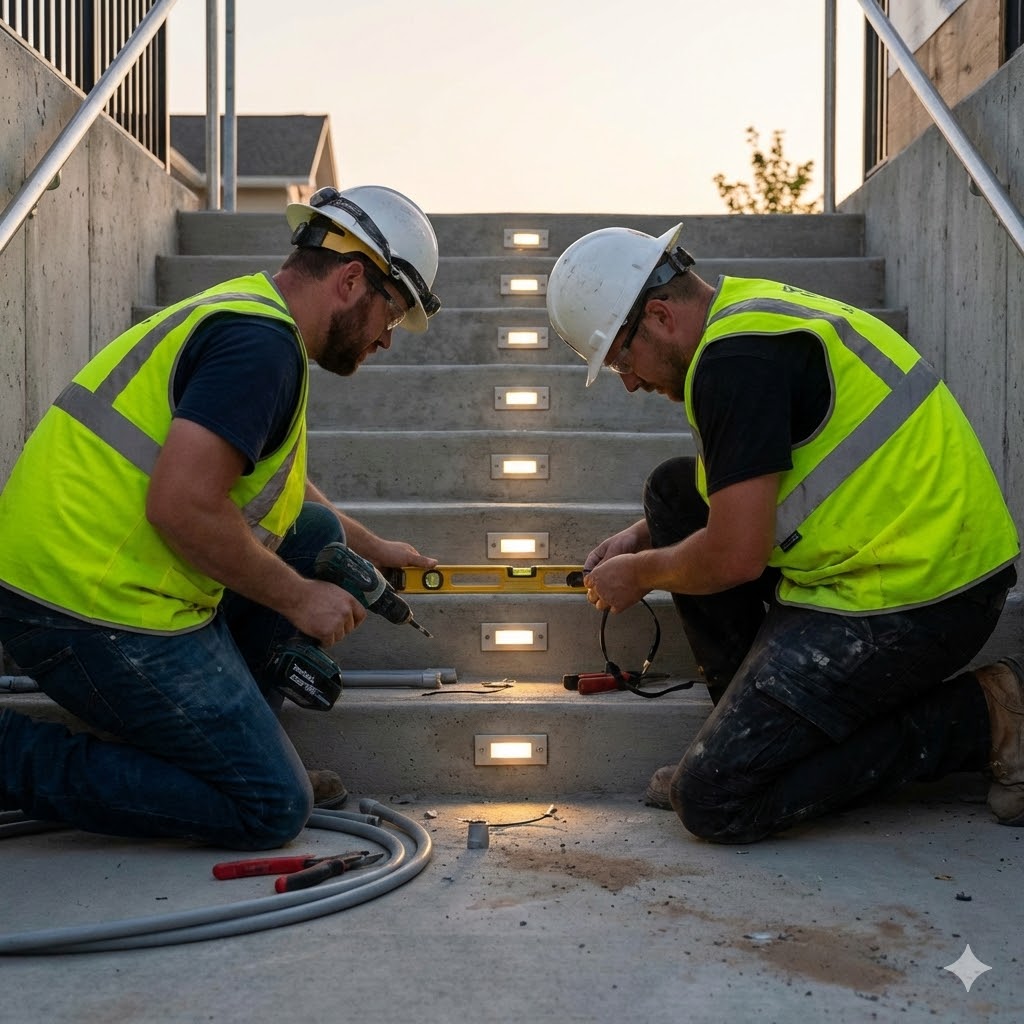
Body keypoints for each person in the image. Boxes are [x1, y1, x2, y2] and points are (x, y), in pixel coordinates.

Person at [545, 223, 1022, 844]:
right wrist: (645, 536)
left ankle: (982, 719)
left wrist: (641, 573)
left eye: (619, 359)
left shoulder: (734, 365)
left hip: (920, 597)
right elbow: (780, 474)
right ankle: (748, 729)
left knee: (715, 800)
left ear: (659, 317)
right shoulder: (745, 316)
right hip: (896, 558)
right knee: (672, 492)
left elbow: (737, 557)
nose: (628, 381)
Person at [0, 184, 441, 850]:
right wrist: (299, 598)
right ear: (352, 280)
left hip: (83, 574)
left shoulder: (253, 318)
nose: (386, 338)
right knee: (269, 806)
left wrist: (372, 545)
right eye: (393, 312)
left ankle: (232, 748)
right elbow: (182, 506)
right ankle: (14, 757)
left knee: (315, 537)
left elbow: (268, 482)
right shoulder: (258, 346)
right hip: (82, 604)